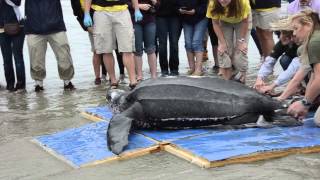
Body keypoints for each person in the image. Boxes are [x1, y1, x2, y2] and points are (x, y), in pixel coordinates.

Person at [84, 0, 143, 89]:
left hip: (122, 10)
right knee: (106, 49)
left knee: (127, 48)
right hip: (101, 12)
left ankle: (133, 81)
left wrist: (137, 9)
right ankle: (113, 81)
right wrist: (86, 14)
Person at [279, 10, 320, 126]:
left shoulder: (315, 42)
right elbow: (314, 76)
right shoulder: (314, 38)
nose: (294, 34)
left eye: (296, 28)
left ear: (308, 25)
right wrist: (306, 103)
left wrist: (305, 103)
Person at [71, 0, 125, 85]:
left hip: (104, 18)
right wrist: (86, 27)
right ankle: (98, 77)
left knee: (113, 49)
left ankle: (116, 76)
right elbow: (77, 13)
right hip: (90, 23)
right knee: (97, 50)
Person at [25, 0, 75, 92]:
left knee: (64, 57)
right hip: (33, 27)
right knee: (36, 60)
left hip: (56, 26)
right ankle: (38, 84)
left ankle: (67, 82)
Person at [207, 0, 251, 83]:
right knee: (224, 50)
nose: (222, 0)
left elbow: (245, 22)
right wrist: (222, 43)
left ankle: (243, 80)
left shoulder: (242, 2)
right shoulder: (213, 3)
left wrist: (242, 41)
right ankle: (227, 82)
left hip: (242, 22)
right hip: (224, 22)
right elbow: (215, 23)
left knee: (240, 50)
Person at [176, 0, 208, 76]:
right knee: (188, 43)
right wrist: (179, 10)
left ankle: (198, 69)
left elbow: (205, 5)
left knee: (196, 42)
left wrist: (195, 10)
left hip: (201, 18)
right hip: (186, 19)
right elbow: (176, 4)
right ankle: (192, 68)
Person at [129, 0, 159, 80]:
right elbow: (125, 4)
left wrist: (154, 2)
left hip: (150, 20)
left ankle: (153, 75)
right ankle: (139, 75)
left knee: (151, 48)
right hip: (134, 20)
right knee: (137, 49)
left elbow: (159, 6)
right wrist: (138, 6)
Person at [0, 0, 25, 92]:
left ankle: (21, 86)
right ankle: (10, 86)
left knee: (18, 57)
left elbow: (17, 3)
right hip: (1, 29)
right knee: (6, 60)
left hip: (17, 26)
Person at [156, 0, 182, 76]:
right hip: (160, 15)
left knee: (174, 43)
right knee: (162, 44)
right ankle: (164, 69)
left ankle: (174, 69)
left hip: (175, 15)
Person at [250, 0, 281, 64]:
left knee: (267, 36)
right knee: (260, 34)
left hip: (270, 6)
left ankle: (270, 64)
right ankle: (265, 60)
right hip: (254, 6)